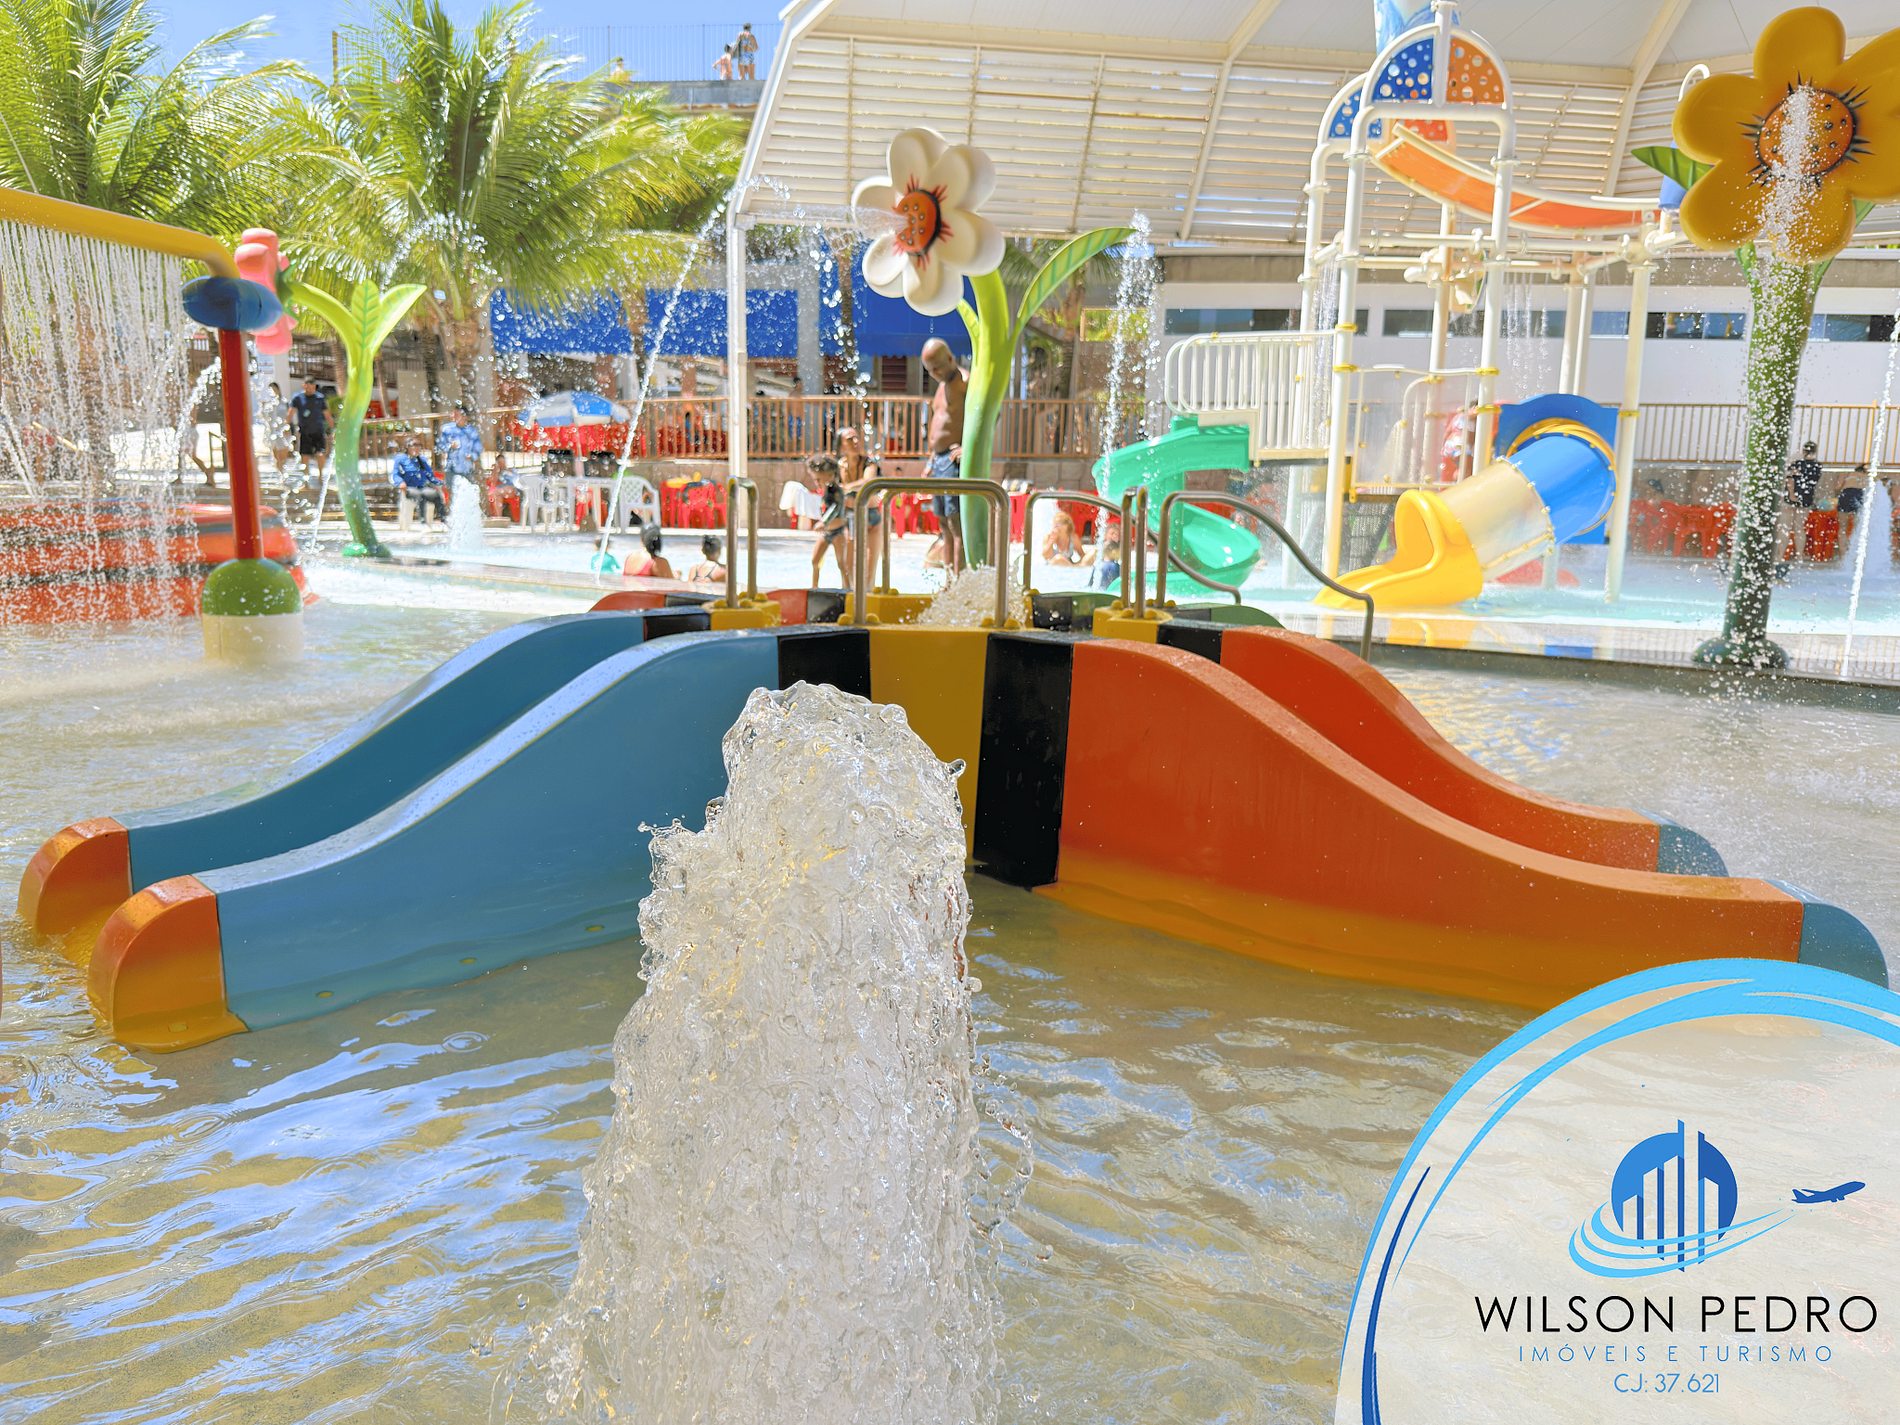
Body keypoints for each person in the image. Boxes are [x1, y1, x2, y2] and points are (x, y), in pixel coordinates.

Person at [921, 337, 968, 572]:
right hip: (938, 460)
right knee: (943, 524)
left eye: (937, 368)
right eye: (930, 370)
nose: (934, 374)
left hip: (952, 460)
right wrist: (930, 461)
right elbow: (938, 423)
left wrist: (968, 447)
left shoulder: (965, 382)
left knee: (955, 523)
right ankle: (949, 582)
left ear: (950, 358)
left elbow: (990, 415)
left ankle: (959, 580)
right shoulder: (941, 386)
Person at [838, 426, 884, 578]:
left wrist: (846, 487)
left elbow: (867, 481)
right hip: (851, 516)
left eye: (857, 438)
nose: (856, 441)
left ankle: (868, 591)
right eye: (850, 439)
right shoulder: (840, 466)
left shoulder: (870, 463)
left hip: (872, 516)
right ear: (841, 445)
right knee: (848, 568)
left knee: (869, 572)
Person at [1775, 440, 1823, 581]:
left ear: (1803, 450)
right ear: (1815, 451)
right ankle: (1799, 556)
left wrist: (1791, 494)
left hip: (1791, 498)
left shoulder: (1797, 463)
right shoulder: (1817, 466)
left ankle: (1780, 555)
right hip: (1806, 499)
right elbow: (1813, 483)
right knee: (1799, 528)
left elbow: (1790, 479)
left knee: (1785, 527)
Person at [807, 452, 851, 587]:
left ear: (831, 476)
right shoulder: (825, 491)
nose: (817, 483)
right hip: (826, 533)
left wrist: (824, 522)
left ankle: (847, 588)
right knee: (815, 560)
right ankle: (814, 586)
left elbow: (835, 508)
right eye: (815, 480)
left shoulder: (836, 491)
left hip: (838, 532)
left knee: (842, 563)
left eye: (819, 479)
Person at [391, 437, 447, 528]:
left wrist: (442, 483)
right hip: (409, 488)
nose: (418, 447)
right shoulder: (401, 459)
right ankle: (423, 523)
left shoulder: (422, 461)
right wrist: (400, 482)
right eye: (415, 445)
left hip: (422, 488)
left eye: (419, 445)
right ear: (408, 447)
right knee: (420, 496)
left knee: (435, 494)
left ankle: (443, 522)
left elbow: (431, 478)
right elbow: (395, 474)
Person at [288, 376, 330, 484]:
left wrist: (332, 429)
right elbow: (291, 413)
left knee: (320, 454)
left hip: (318, 430)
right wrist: (288, 427)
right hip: (305, 431)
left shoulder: (320, 398)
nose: (311, 390)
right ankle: (306, 480)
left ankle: (321, 476)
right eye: (309, 387)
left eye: (313, 387)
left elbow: (327, 414)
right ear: (304, 385)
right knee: (305, 456)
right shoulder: (298, 398)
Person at [436, 408, 484, 503]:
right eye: (453, 414)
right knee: (450, 493)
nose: (453, 417)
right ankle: (449, 512)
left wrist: (472, 456)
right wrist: (450, 446)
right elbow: (440, 446)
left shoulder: (471, 431)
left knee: (470, 492)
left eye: (457, 415)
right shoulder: (447, 429)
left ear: (464, 416)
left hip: (467, 468)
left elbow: (478, 448)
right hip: (451, 468)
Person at [255, 381, 291, 475]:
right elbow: (264, 418)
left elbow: (289, 416)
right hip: (272, 431)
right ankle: (279, 471)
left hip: (283, 430)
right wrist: (262, 407)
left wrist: (290, 428)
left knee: (283, 451)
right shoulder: (269, 404)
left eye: (275, 390)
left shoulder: (285, 403)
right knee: (276, 453)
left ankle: (282, 468)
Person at [1837, 463, 1868, 548]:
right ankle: (1853, 548)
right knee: (1857, 525)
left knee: (1843, 526)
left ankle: (1842, 552)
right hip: (1859, 495)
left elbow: (1838, 487)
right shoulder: (1865, 476)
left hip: (1846, 494)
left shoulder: (1848, 474)